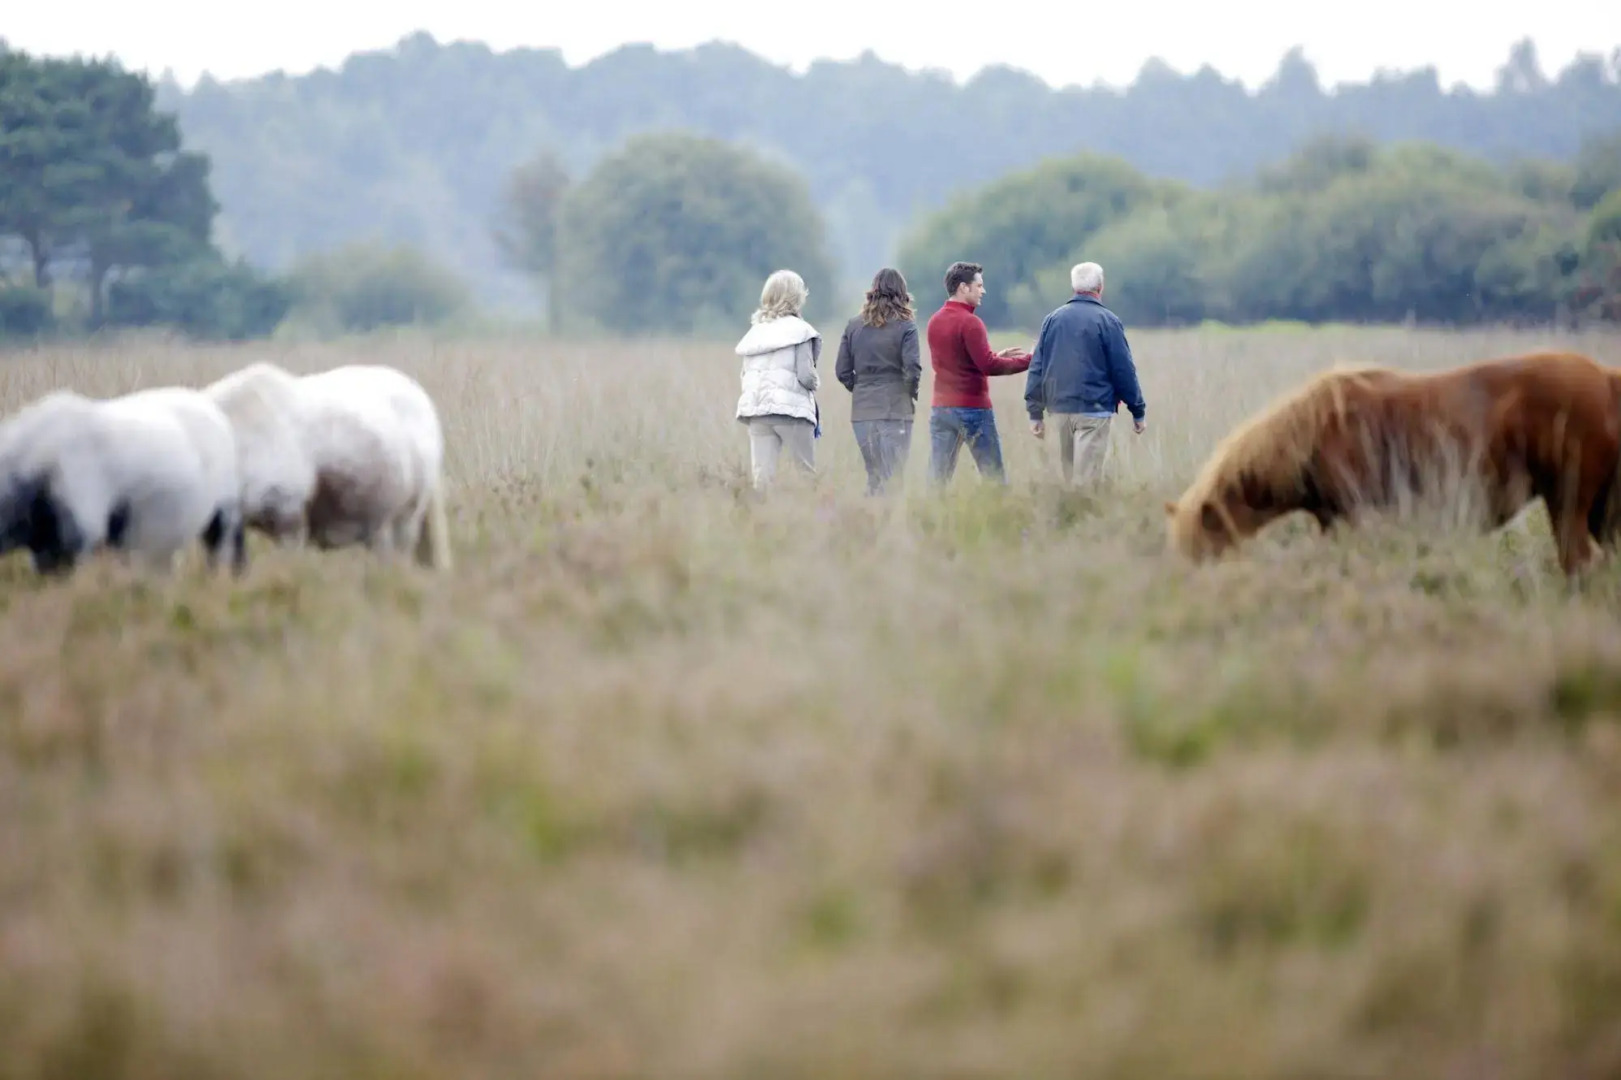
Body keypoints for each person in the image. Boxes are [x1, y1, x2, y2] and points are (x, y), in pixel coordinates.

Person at [1023, 261, 1147, 487]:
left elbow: (1037, 366)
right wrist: (1137, 410)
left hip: (1059, 410)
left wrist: (1035, 413)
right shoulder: (1108, 321)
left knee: (1067, 477)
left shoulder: (1052, 320)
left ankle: (1066, 518)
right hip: (1094, 410)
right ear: (1100, 287)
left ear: (1074, 287)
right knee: (1087, 481)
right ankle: (1082, 517)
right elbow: (1123, 370)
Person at [924, 261, 1031, 486]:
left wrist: (997, 355)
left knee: (937, 480)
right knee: (994, 479)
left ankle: (930, 519)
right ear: (964, 287)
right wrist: (1030, 360)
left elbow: (955, 361)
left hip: (941, 409)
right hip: (972, 409)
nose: (983, 291)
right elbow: (988, 366)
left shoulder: (934, 321)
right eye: (979, 285)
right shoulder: (971, 323)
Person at [835, 267, 922, 495]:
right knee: (893, 479)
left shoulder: (853, 326)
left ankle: (868, 526)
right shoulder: (907, 326)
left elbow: (842, 371)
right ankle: (889, 527)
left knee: (874, 477)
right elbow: (912, 369)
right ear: (902, 293)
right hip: (895, 410)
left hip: (862, 412)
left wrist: (861, 388)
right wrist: (910, 393)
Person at [734, 268, 821, 490]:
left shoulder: (754, 333)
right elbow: (805, 376)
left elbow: (744, 376)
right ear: (796, 297)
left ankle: (761, 521)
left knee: (762, 479)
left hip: (757, 412)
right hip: (791, 412)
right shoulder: (801, 330)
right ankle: (811, 519)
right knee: (805, 475)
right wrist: (816, 383)